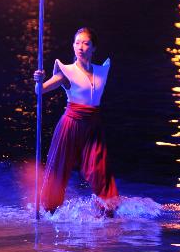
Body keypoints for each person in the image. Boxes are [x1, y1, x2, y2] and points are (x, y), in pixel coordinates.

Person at [33, 27, 119, 215]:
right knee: (59, 167)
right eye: (77, 42)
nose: (80, 47)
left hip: (93, 126)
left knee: (100, 168)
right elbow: (40, 91)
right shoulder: (67, 72)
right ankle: (49, 209)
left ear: (93, 47)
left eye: (86, 43)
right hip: (71, 124)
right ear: (73, 46)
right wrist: (38, 81)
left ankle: (107, 209)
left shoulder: (101, 71)